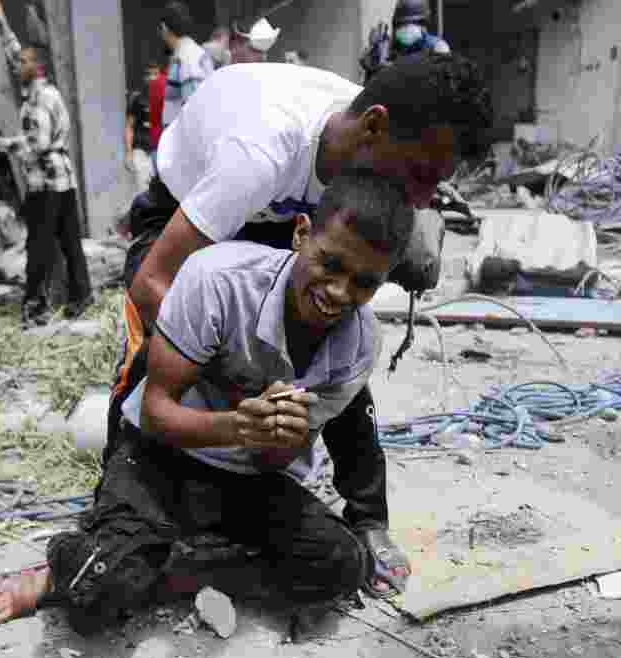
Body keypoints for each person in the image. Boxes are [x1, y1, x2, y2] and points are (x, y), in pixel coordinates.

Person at [0, 172, 415, 637]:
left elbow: (276, 460)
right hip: (161, 458)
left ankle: (159, 562)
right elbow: (156, 412)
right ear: (300, 234)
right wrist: (238, 427)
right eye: (330, 264)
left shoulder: (359, 343)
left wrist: (281, 439)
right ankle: (74, 569)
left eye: (364, 283)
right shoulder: (218, 279)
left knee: (340, 566)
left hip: (248, 479)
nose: (339, 292)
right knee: (95, 595)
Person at [109, 55, 490, 599]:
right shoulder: (258, 157)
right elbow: (152, 283)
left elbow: (402, 208)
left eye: (437, 185)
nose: (424, 197)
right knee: (161, 358)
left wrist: (418, 229)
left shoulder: (385, 124)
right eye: (422, 178)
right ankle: (119, 494)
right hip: (181, 216)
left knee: (337, 345)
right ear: (374, 127)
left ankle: (366, 518)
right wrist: (237, 380)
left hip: (282, 220)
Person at [0, 0, 94, 324]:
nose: (17, 64)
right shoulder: (41, 90)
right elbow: (14, 52)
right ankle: (81, 297)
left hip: (44, 183)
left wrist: (5, 145)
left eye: (23, 62)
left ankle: (35, 308)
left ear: (38, 67)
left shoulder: (39, 101)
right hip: (63, 180)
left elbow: (39, 145)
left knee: (39, 247)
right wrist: (3, 22)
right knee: (70, 243)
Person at [361, 0, 451, 83]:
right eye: (401, 24)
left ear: (424, 25)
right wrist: (372, 61)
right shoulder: (388, 48)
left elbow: (444, 81)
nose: (407, 28)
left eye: (413, 23)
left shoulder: (437, 47)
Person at [159, 2, 214, 130]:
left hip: (187, 144)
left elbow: (194, 110)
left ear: (164, 28)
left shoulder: (187, 58)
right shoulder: (194, 54)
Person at [124, 89, 152, 195]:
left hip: (157, 152)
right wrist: (129, 153)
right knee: (144, 190)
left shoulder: (166, 95)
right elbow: (129, 127)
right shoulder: (136, 99)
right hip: (140, 151)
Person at [147, 57, 168, 171]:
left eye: (154, 73)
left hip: (158, 141)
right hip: (158, 141)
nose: (152, 77)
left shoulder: (158, 85)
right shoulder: (163, 83)